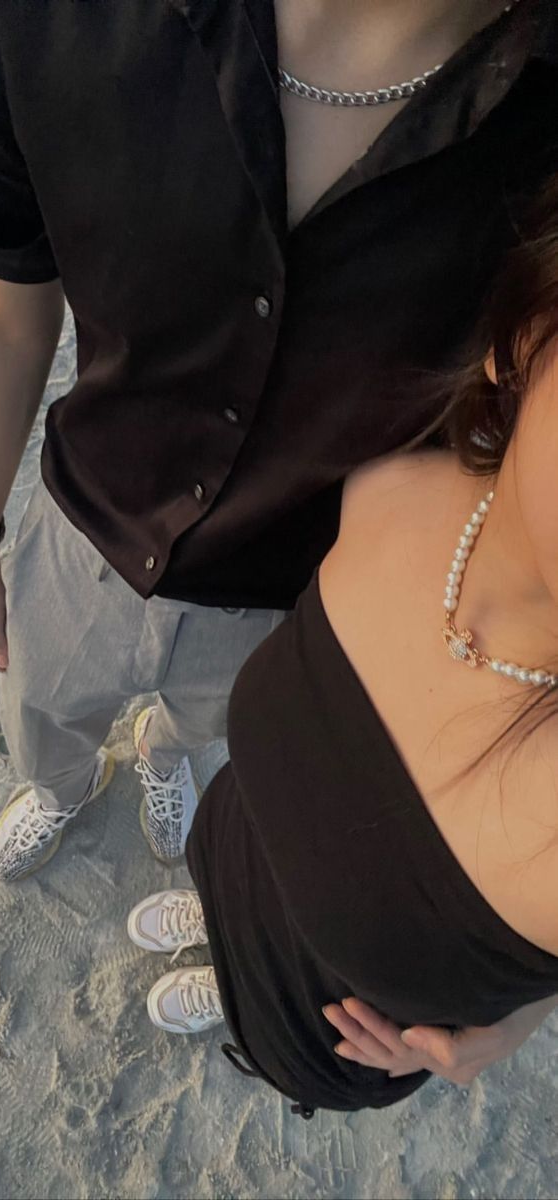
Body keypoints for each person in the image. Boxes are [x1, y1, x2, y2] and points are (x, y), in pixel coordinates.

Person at [0, 0, 557, 1082]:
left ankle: (169, 765)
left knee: (233, 780)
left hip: (297, 604)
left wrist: (520, 1003)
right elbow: (11, 287)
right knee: (39, 705)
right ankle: (63, 787)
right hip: (85, 524)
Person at [128, 175, 558, 1115]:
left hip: (327, 1023)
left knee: (287, 1017)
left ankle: (240, 1006)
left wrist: (515, 1026)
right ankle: (216, 935)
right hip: (238, 849)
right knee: (235, 878)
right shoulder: (384, 477)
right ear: (522, 342)